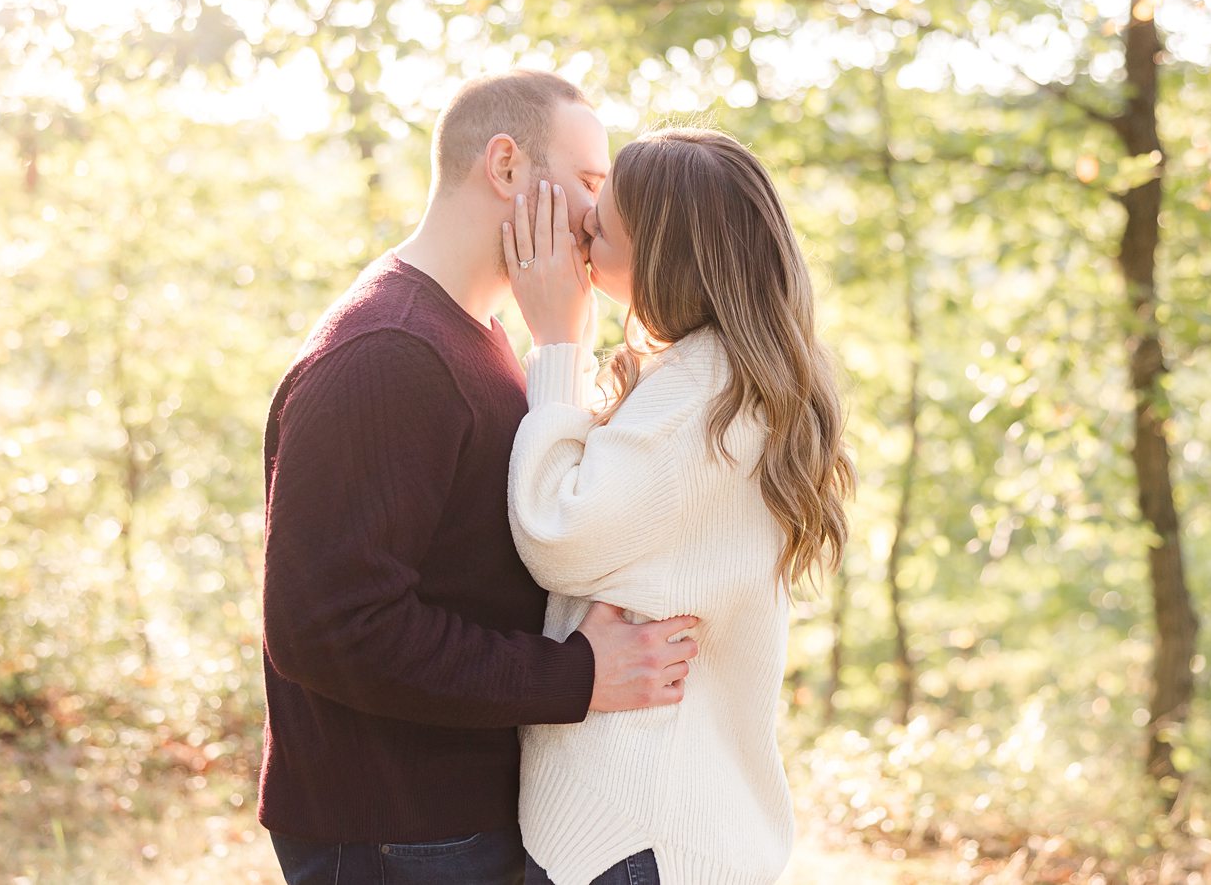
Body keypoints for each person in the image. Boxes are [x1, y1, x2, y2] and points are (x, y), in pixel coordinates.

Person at [258, 71, 700, 885]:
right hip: (399, 831)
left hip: (456, 817)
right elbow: (326, 627)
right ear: (506, 167)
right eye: (591, 184)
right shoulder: (388, 353)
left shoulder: (480, 337)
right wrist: (576, 674)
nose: (601, 218)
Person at [500, 128, 856, 885]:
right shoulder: (729, 379)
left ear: (662, 255)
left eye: (604, 223)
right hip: (668, 822)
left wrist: (557, 344)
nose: (583, 226)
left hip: (630, 830)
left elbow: (556, 533)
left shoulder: (701, 395)